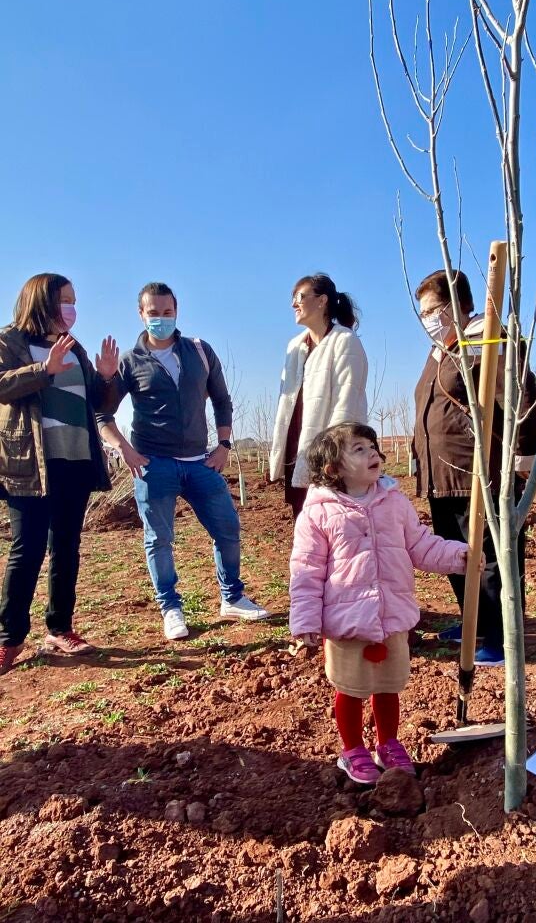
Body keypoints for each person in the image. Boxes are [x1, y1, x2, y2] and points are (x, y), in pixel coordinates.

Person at [289, 422, 477, 785]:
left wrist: (459, 556)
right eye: (359, 449)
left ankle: (388, 743)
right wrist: (306, 620)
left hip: (392, 615)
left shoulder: (394, 502)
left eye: (372, 446)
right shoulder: (318, 513)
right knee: (351, 687)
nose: (372, 452)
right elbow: (306, 569)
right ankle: (352, 749)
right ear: (333, 468)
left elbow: (421, 544)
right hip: (347, 621)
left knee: (389, 685)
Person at [98, 282, 268, 641]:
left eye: (167, 312)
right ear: (141, 314)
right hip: (154, 463)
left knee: (228, 528)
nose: (161, 319)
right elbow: (103, 413)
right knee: (159, 538)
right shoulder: (129, 361)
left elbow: (222, 400)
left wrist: (223, 445)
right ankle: (171, 607)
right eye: (154, 313)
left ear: (177, 311)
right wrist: (124, 449)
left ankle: (232, 596)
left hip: (200, 462)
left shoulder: (199, 351)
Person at [413, 269, 536, 667]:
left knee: (488, 557)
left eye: (433, 310)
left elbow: (521, 394)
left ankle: (500, 635)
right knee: (456, 553)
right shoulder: (443, 348)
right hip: (443, 476)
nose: (427, 320)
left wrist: (521, 462)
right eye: (422, 314)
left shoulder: (485, 337)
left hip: (477, 471)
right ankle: (473, 622)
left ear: (458, 305)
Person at [0, 273, 120, 675]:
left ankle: (60, 629)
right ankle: (9, 639)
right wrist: (42, 369)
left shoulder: (76, 348)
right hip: (31, 464)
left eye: (74, 301)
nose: (71, 309)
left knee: (66, 545)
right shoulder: (10, 341)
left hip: (75, 460)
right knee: (27, 548)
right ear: (42, 302)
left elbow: (100, 405)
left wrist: (106, 377)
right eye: (65, 300)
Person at [270, 273, 368, 519]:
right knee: (303, 525)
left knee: (334, 525)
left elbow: (345, 405)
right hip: (297, 450)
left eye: (300, 297)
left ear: (322, 301)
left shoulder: (344, 341)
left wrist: (333, 458)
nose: (294, 303)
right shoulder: (295, 347)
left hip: (329, 457)